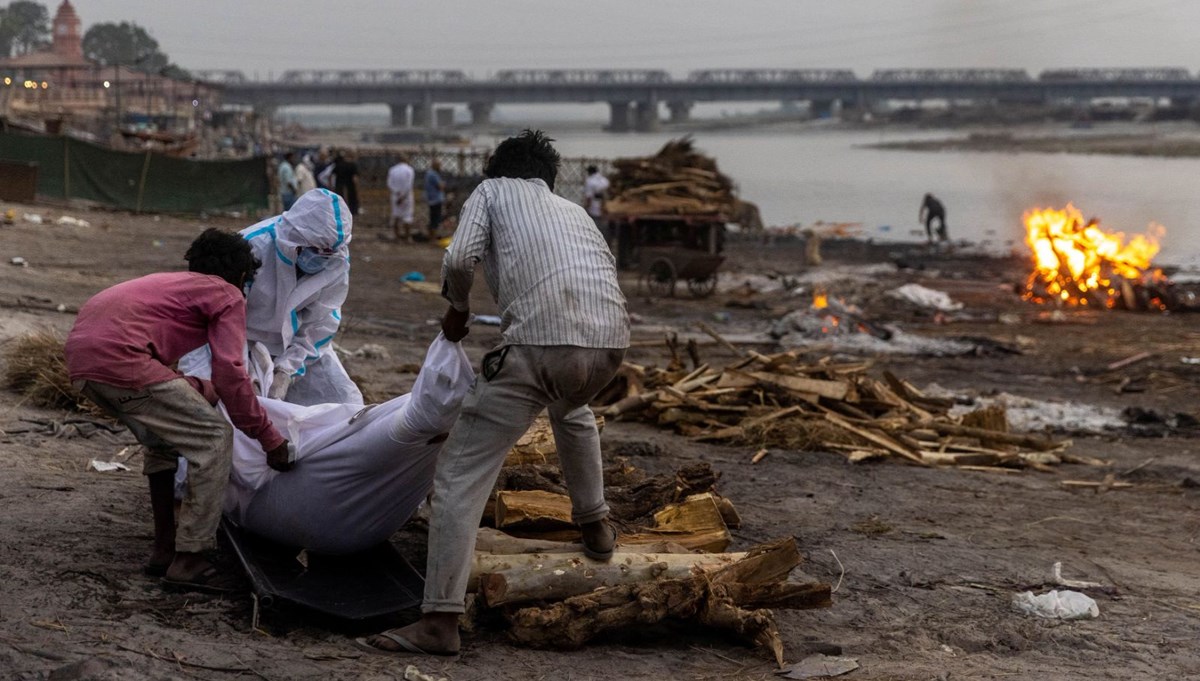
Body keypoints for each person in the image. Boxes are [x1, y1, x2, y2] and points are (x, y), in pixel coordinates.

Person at [359, 130, 630, 656]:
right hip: (609, 345)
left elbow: (459, 260)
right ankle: (596, 523)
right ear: (548, 179)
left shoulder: (491, 192)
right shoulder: (576, 211)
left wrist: (457, 311)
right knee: (571, 408)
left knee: (460, 473)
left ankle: (438, 621)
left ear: (498, 170)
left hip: (539, 343)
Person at [65, 228, 292, 593]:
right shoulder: (226, 293)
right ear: (240, 275)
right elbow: (231, 372)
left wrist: (201, 389)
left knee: (162, 439)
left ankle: (164, 548)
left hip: (82, 363)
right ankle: (190, 559)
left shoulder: (171, 285)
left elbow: (168, 373)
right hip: (122, 360)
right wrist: (270, 439)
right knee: (215, 439)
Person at [225, 332, 473, 554]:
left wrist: (285, 371)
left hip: (324, 516)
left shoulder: (390, 436)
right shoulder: (400, 435)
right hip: (353, 529)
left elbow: (317, 327)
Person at [179, 189, 361, 406]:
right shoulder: (252, 248)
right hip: (234, 339)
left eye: (328, 253)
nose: (321, 258)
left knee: (344, 403)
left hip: (293, 346)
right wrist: (242, 373)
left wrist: (286, 370)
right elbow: (218, 315)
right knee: (211, 402)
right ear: (295, 238)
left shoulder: (336, 259)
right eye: (315, 250)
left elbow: (320, 323)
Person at [387, 155, 416, 241]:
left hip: (395, 195)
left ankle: (397, 236)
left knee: (396, 215)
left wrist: (397, 192)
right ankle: (408, 237)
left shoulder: (392, 170)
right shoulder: (409, 170)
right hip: (406, 196)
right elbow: (409, 185)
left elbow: (389, 184)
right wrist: (403, 195)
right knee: (407, 216)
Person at [582, 164, 610, 232]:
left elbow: (589, 197)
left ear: (589, 172)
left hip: (594, 207)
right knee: (604, 227)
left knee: (594, 227)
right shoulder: (605, 180)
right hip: (605, 206)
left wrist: (585, 208)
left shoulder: (590, 181)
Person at [424, 159, 447, 239]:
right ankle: (433, 237)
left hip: (432, 198)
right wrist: (443, 184)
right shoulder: (433, 174)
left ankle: (431, 236)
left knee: (433, 217)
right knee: (435, 218)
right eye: (439, 165)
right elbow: (440, 186)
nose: (440, 167)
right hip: (436, 199)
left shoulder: (429, 173)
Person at [333, 150, 360, 216]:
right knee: (352, 202)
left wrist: (331, 186)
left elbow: (332, 176)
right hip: (350, 187)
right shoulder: (353, 165)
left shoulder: (339, 165)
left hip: (339, 186)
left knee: (340, 201)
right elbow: (355, 178)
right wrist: (357, 187)